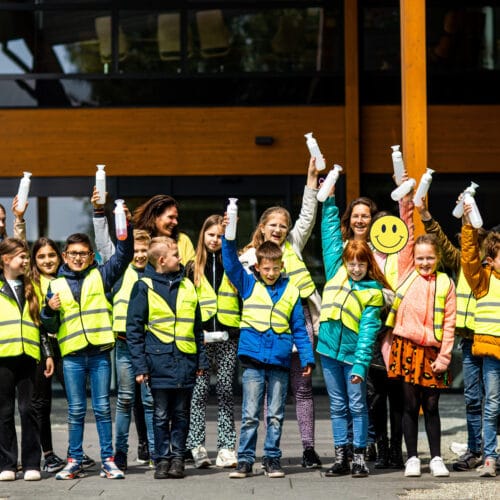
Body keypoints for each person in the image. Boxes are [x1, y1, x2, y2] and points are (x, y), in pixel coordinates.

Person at [238, 157, 322, 468]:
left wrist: (311, 179)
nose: (279, 229)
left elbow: (307, 216)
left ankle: (309, 449)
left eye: (283, 225)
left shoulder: (294, 245)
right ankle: (264, 452)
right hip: (265, 331)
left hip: (299, 320)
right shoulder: (248, 257)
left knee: (302, 389)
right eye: (273, 224)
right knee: (264, 394)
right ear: (262, 227)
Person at [41, 228, 133, 481]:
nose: (78, 258)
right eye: (73, 253)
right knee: (76, 410)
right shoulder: (55, 285)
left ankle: (108, 461)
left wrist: (124, 224)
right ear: (64, 255)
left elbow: (124, 255)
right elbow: (48, 325)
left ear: (92, 257)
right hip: (72, 356)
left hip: (99, 354)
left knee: (103, 408)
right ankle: (74, 461)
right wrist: (48, 311)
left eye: (83, 253)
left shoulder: (101, 276)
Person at [223, 231, 315, 479]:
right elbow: (230, 263)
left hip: (279, 360)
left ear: (282, 266)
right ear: (258, 267)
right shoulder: (248, 284)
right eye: (266, 269)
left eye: (275, 268)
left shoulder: (292, 291)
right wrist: (229, 234)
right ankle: (244, 460)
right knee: (250, 414)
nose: (271, 273)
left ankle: (272, 458)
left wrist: (306, 357)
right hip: (253, 360)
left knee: (275, 414)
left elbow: (298, 328)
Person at [318, 189, 390, 478]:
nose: (356, 268)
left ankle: (360, 457)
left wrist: (360, 365)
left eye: (361, 263)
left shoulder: (372, 292)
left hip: (352, 356)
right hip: (327, 352)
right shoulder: (336, 269)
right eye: (352, 263)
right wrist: (330, 201)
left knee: (357, 405)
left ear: (368, 264)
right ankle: (341, 456)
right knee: (337, 406)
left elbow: (368, 334)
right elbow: (330, 234)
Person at [416, 200, 488, 473]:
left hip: (493, 338)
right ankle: (475, 449)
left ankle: (490, 450)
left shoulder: (493, 265)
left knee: (494, 399)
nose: (466, 242)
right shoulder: (461, 262)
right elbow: (442, 243)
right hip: (470, 340)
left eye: (472, 237)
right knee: (472, 398)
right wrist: (425, 215)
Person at [127, 236, 208, 479]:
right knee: (161, 414)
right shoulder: (144, 287)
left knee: (182, 414)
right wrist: (140, 366)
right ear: (162, 260)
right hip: (158, 362)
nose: (180, 258)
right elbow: (134, 330)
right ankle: (161, 459)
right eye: (175, 255)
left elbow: (196, 328)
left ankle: (177, 459)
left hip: (185, 361)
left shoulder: (187, 286)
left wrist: (201, 361)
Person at [386, 232, 456, 478]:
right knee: (410, 405)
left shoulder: (446, 283)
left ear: (437, 258)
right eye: (420, 258)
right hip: (406, 346)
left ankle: (436, 458)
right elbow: (405, 240)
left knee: (432, 405)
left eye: (429, 258)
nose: (424, 263)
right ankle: (412, 458)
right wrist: (406, 200)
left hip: (433, 351)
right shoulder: (406, 273)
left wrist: (445, 356)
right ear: (412, 259)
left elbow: (450, 323)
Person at [185, 215, 240, 469]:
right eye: (211, 235)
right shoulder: (191, 266)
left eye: (220, 235)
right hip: (202, 339)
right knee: (199, 392)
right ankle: (196, 445)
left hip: (229, 337)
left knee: (226, 391)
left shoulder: (234, 263)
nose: (215, 240)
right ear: (203, 235)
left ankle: (227, 447)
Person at [0, 237, 54, 482]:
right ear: (6, 259)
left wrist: (48, 353)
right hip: (2, 357)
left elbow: (41, 326)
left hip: (29, 356)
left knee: (28, 409)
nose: (26, 261)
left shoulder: (32, 287)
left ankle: (32, 463)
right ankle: (7, 464)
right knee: (4, 411)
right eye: (21, 256)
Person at [461, 215, 500, 478]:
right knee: (492, 404)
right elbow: (468, 259)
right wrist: (467, 226)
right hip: (492, 354)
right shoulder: (483, 280)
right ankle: (489, 457)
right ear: (492, 258)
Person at [112, 229, 155, 473]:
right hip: (124, 343)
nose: (139, 255)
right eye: (135, 251)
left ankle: (155, 452)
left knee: (149, 401)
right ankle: (121, 453)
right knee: (125, 399)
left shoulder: (154, 275)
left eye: (143, 251)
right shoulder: (120, 275)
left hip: (149, 345)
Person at [132, 194, 195, 265]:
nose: (175, 222)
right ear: (155, 217)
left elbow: (195, 272)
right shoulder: (138, 241)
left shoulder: (183, 240)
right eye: (170, 217)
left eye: (176, 218)